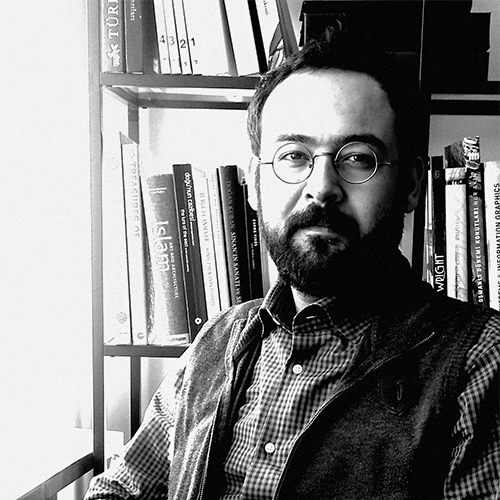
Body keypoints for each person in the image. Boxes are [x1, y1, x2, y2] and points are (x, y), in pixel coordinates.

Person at [85, 27, 500, 500]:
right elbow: (122, 489)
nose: (321, 188)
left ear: (411, 185)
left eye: (358, 158)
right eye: (293, 156)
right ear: (255, 184)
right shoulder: (217, 340)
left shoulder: (480, 361)